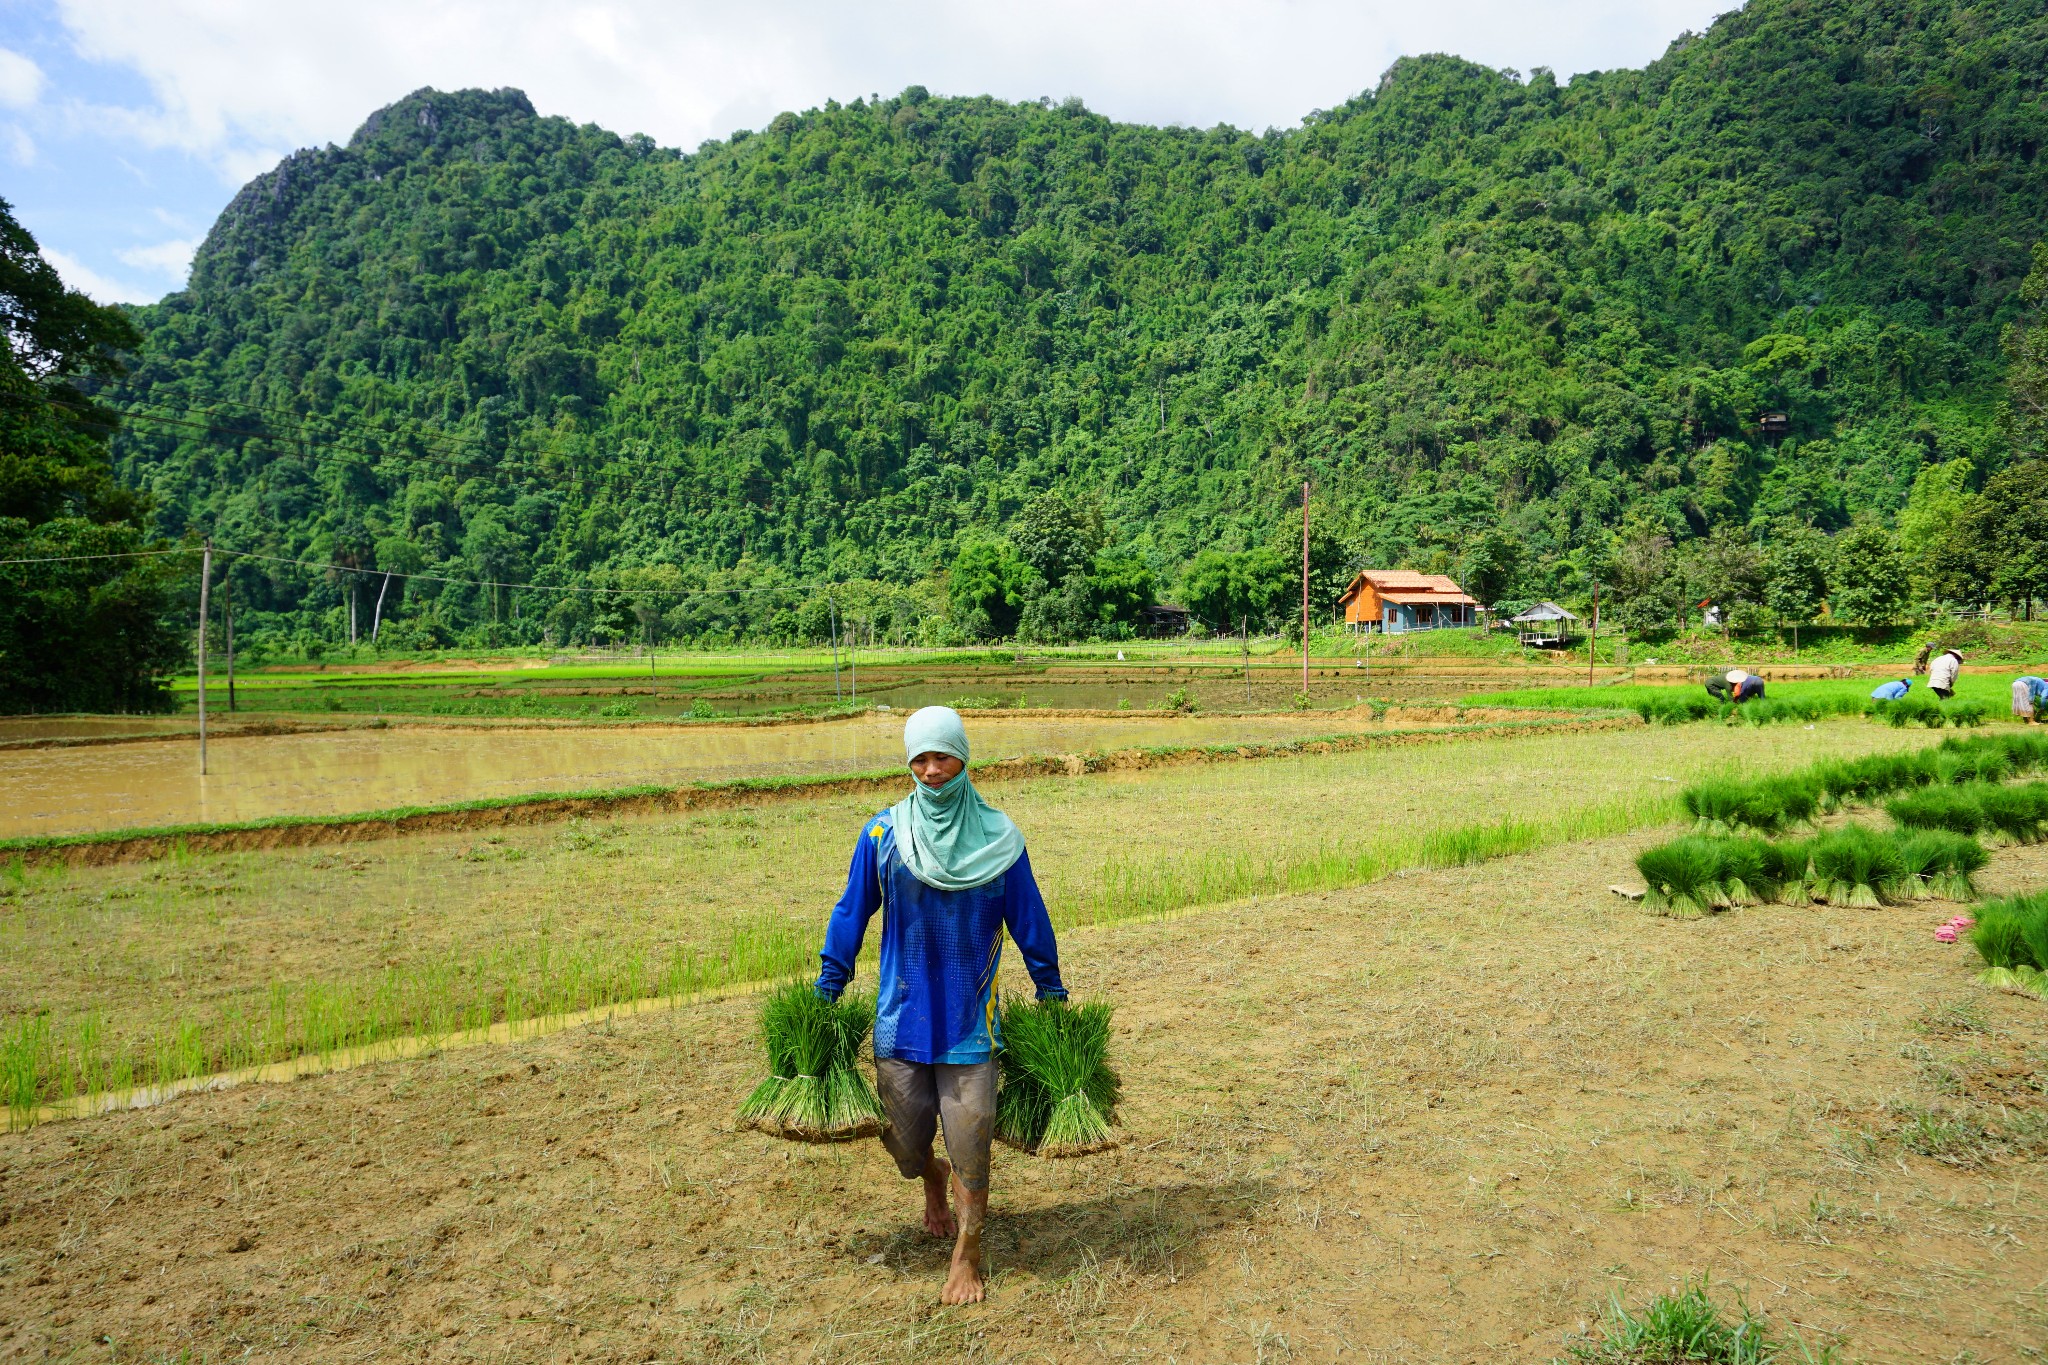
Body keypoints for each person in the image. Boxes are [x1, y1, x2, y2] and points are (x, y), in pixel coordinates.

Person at [815, 705, 1067, 1304]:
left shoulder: (1000, 839)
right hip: (901, 1019)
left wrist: (1050, 988)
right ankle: (931, 1180)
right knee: (905, 1146)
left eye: (943, 757)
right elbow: (853, 911)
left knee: (972, 1146)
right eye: (920, 759)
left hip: (969, 1024)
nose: (932, 771)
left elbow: (1030, 919)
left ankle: (968, 1253)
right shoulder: (883, 834)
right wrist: (830, 982)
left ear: (964, 759)